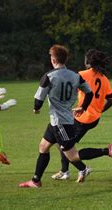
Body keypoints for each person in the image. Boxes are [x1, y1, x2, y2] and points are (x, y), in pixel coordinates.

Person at [18, 45, 95, 188]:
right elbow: (89, 93)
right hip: (59, 121)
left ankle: (87, 166)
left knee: (72, 155)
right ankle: (36, 180)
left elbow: (38, 99)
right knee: (43, 146)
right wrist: (83, 107)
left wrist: (36, 109)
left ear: (53, 60)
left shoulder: (49, 76)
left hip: (61, 122)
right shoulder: (75, 76)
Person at [51, 49, 112, 181]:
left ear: (87, 61)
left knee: (68, 148)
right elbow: (111, 101)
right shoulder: (104, 78)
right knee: (61, 141)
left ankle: (107, 151)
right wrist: (98, 110)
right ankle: (65, 171)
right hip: (93, 118)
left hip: (81, 118)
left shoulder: (82, 74)